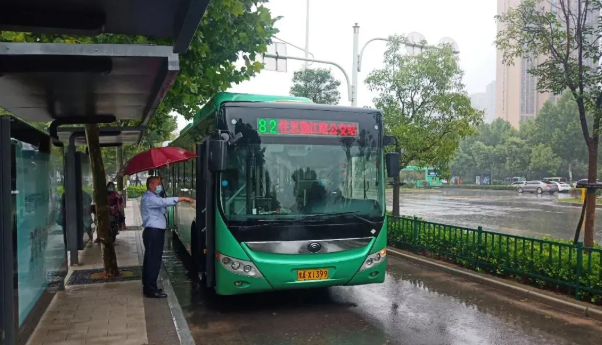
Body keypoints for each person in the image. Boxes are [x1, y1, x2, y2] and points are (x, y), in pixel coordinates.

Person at [141, 176, 193, 298]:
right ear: (151, 185)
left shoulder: (154, 197)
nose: (160, 186)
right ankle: (150, 290)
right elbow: (163, 203)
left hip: (155, 233)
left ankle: (149, 287)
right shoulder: (148, 198)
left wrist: (162, 196)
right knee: (153, 262)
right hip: (153, 233)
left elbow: (163, 208)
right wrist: (182, 198)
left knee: (152, 261)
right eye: (158, 184)